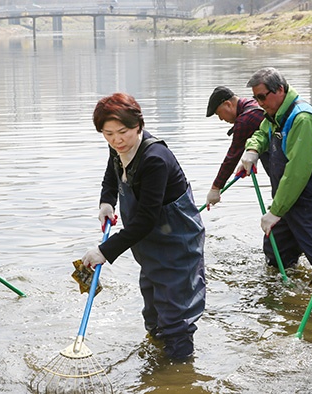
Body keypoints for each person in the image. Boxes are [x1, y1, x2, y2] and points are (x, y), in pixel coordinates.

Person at [82, 93, 206, 361]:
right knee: (153, 313)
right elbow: (111, 175)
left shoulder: (155, 159)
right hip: (148, 244)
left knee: (175, 318)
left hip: (177, 244)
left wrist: (105, 250)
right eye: (108, 134)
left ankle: (179, 375)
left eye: (123, 132)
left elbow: (147, 218)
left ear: (138, 125)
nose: (116, 140)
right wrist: (107, 203)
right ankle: (159, 362)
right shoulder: (119, 148)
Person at [236, 67, 312, 278]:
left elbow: (297, 173)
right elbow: (262, 132)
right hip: (287, 199)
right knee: (276, 253)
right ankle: (284, 295)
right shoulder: (275, 113)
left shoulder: (303, 119)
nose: (259, 103)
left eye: (262, 97)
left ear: (279, 90)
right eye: (255, 98)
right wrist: (252, 150)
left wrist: (276, 212)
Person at [204, 86, 265, 209]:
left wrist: (216, 188)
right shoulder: (252, 104)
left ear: (227, 104)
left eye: (218, 113)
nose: (221, 119)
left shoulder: (244, 120)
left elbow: (232, 157)